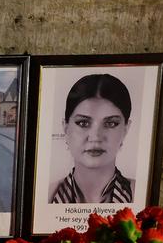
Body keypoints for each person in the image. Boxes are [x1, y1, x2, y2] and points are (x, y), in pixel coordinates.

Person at [49, 74, 135, 204]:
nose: (95, 137)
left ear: (125, 129)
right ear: (66, 128)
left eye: (111, 123)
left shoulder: (141, 195)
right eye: (83, 123)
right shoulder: (44, 196)